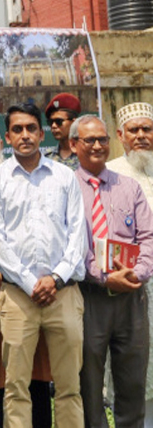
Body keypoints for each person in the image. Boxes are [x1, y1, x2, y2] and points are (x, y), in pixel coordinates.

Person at [0, 103, 87, 428]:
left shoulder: (64, 177)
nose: (25, 135)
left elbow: (78, 234)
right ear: (8, 137)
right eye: (17, 129)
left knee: (69, 387)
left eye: (31, 128)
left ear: (42, 134)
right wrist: (31, 283)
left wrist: (55, 279)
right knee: (16, 387)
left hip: (64, 294)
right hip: (17, 296)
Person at [0, 120, 53, 428]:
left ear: (1, 144)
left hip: (29, 291)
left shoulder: (15, 178)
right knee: (2, 374)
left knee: (36, 372)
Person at [72, 115, 153, 427]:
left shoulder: (128, 187)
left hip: (132, 297)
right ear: (74, 144)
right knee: (89, 384)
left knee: (132, 382)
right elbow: (68, 243)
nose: (97, 146)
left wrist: (138, 273)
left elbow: (147, 237)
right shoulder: (66, 187)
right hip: (88, 297)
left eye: (102, 139)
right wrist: (103, 276)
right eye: (89, 140)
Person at [106, 102, 153, 423]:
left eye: (147, 129)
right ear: (120, 135)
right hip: (131, 285)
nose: (140, 136)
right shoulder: (110, 174)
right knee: (135, 363)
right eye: (133, 130)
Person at [45, 93, 81, 170]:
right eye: (51, 122)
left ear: (74, 122)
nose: (53, 126)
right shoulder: (46, 158)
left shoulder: (85, 155)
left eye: (59, 121)